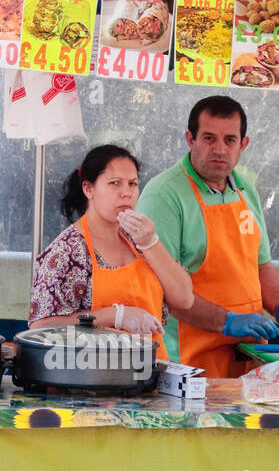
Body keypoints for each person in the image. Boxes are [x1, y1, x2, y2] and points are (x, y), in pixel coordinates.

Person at [136, 95, 279, 377]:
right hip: (187, 365)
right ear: (190, 139)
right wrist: (228, 321)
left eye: (229, 140)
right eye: (208, 138)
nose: (219, 149)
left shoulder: (245, 190)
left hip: (247, 359)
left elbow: (260, 264)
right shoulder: (164, 195)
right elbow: (160, 291)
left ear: (243, 144)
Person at [29, 144, 193, 360]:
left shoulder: (138, 241)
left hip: (149, 377)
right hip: (90, 380)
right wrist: (115, 316)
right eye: (114, 183)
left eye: (133, 184)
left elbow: (184, 299)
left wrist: (151, 242)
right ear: (89, 189)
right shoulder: (67, 251)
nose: (126, 193)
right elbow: (40, 328)